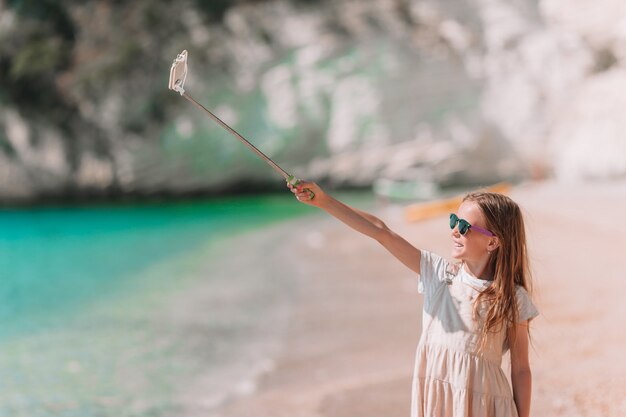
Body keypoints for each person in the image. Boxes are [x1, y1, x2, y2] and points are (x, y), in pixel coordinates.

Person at [287, 180, 539, 417]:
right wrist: (324, 201)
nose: (454, 231)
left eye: (463, 227)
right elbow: (381, 231)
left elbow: (520, 369)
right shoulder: (439, 275)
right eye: (453, 220)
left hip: (487, 405)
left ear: (493, 242)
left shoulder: (513, 298)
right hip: (437, 401)